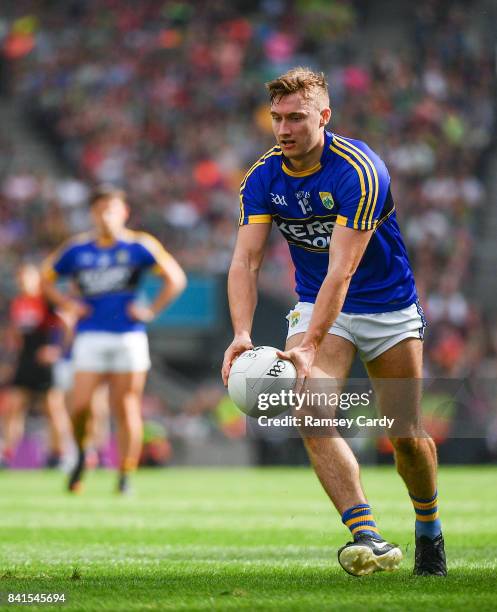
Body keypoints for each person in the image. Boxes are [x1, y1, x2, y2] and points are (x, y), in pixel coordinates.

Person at [222, 67, 446, 577]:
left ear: (324, 116)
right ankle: (366, 534)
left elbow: (341, 271)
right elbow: (245, 262)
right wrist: (241, 334)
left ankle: (428, 526)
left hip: (387, 307)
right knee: (311, 409)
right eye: (277, 118)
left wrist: (307, 344)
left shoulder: (359, 171)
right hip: (320, 305)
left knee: (405, 435)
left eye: (296, 117)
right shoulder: (261, 178)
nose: (284, 129)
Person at [41, 186, 187, 494]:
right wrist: (67, 304)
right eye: (100, 209)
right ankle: (83, 455)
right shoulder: (77, 250)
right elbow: (45, 278)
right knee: (79, 405)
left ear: (124, 213)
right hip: (90, 334)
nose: (106, 215)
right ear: (92, 214)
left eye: (112, 208)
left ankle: (125, 475)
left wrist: (150, 311)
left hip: (128, 337)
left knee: (126, 407)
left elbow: (175, 278)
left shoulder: (139, 246)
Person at [1, 263, 70, 468]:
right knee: (14, 406)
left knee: (52, 408)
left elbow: (67, 323)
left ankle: (59, 454)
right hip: (25, 360)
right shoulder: (18, 303)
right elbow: (15, 332)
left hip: (43, 361)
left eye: (26, 278)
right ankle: (6, 453)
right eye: (19, 279)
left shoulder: (47, 301)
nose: (22, 282)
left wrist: (58, 350)